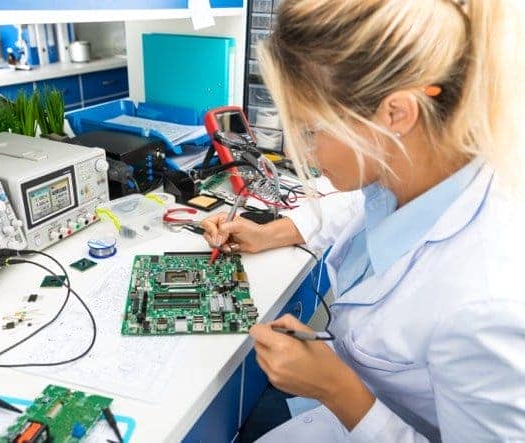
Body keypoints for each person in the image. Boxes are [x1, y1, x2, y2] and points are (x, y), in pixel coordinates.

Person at [200, 0, 525, 441]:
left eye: (311, 130)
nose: (307, 153)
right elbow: (356, 205)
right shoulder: (423, 171)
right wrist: (270, 232)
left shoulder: (486, 306)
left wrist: (336, 388)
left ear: (395, 114)